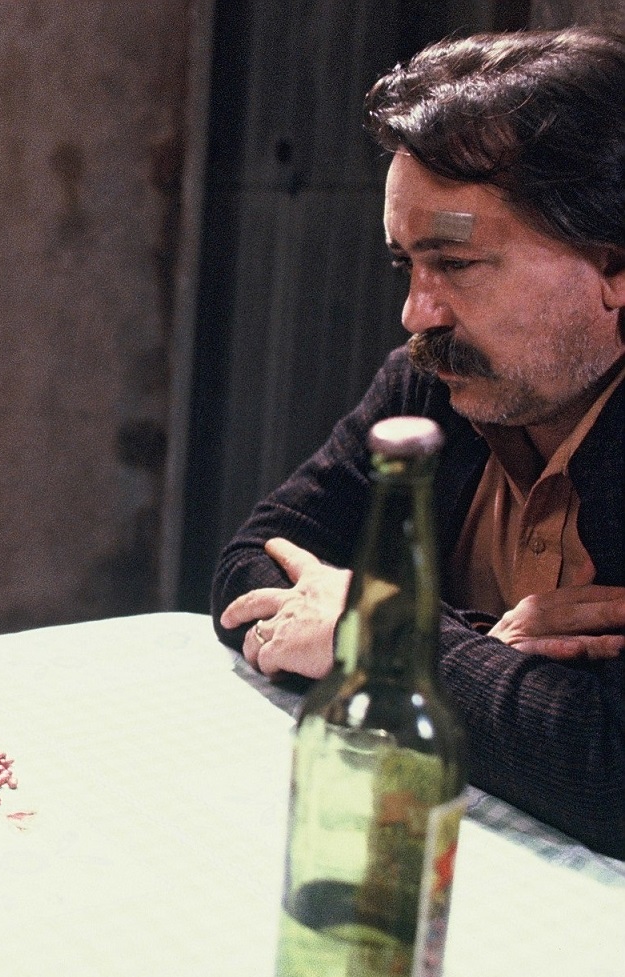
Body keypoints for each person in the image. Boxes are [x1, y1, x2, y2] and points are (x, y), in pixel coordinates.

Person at [212, 26, 625, 859]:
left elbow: (609, 777)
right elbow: (252, 563)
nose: (416, 314)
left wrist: (384, 633)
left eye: (458, 263)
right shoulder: (427, 387)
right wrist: (469, 650)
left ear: (613, 266)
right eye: (406, 265)